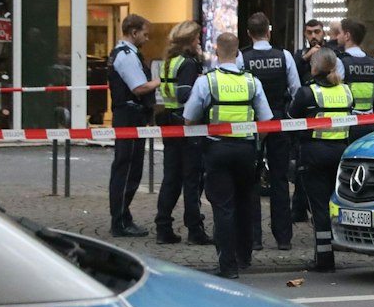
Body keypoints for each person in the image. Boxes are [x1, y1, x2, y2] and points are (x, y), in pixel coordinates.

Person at [184, 32, 274, 279]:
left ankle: (228, 265)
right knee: (246, 203)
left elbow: (189, 118)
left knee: (223, 207)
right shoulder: (252, 82)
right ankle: (245, 256)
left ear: (216, 52)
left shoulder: (207, 82)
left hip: (217, 150)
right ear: (238, 53)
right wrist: (255, 145)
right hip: (245, 151)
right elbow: (266, 121)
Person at [288, 48, 370, 273]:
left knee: (319, 208)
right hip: (340, 153)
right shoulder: (346, 91)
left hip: (313, 155)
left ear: (314, 67)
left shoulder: (308, 93)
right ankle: (341, 245)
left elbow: (291, 120)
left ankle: (324, 258)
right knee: (336, 203)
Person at [242, 12, 301, 251]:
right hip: (279, 121)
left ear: (248, 33)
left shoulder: (241, 58)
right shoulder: (284, 56)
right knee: (279, 179)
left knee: (251, 181)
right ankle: (284, 238)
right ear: (269, 31)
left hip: (251, 124)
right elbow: (296, 90)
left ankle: (254, 238)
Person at [153, 21, 212, 246]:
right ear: (189, 41)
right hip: (186, 125)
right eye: (197, 38)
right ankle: (195, 229)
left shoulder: (168, 62)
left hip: (169, 122)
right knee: (192, 179)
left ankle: (163, 226)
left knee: (171, 178)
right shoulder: (187, 63)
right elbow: (187, 96)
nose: (199, 42)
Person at [107, 14, 160, 237]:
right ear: (134, 32)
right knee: (127, 169)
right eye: (144, 34)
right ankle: (119, 222)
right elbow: (138, 88)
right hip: (129, 115)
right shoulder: (127, 56)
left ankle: (123, 217)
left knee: (127, 168)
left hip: (128, 115)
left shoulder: (122, 53)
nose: (146, 39)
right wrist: (159, 81)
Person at [334, 19, 374, 112]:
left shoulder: (340, 62)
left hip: (348, 121)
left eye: (339, 33)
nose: (337, 36)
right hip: (368, 122)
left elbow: (333, 93)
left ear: (347, 36)